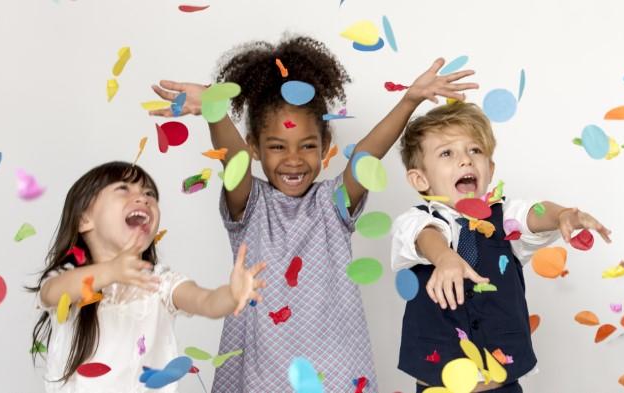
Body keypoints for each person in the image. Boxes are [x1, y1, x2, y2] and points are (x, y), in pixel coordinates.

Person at [150, 35, 478, 392]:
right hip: (264, 372)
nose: (293, 159)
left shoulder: (332, 203)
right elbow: (234, 160)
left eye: (307, 146)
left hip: (335, 371)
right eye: (277, 147)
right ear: (255, 148)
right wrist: (214, 108)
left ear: (325, 147)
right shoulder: (250, 204)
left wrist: (409, 100)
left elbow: (367, 156)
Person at [391, 101, 612, 392]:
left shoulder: (504, 217)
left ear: (490, 168)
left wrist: (561, 215)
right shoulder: (415, 220)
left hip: (502, 386)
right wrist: (444, 257)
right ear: (420, 178)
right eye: (447, 153)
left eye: (475, 150)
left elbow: (534, 213)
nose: (465, 160)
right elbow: (425, 234)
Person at [28, 161, 266, 393]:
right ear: (84, 219)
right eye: (123, 189)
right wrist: (111, 270)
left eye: (149, 193)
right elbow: (51, 293)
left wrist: (232, 295)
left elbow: (206, 302)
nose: (143, 198)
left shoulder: (159, 283)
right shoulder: (68, 279)